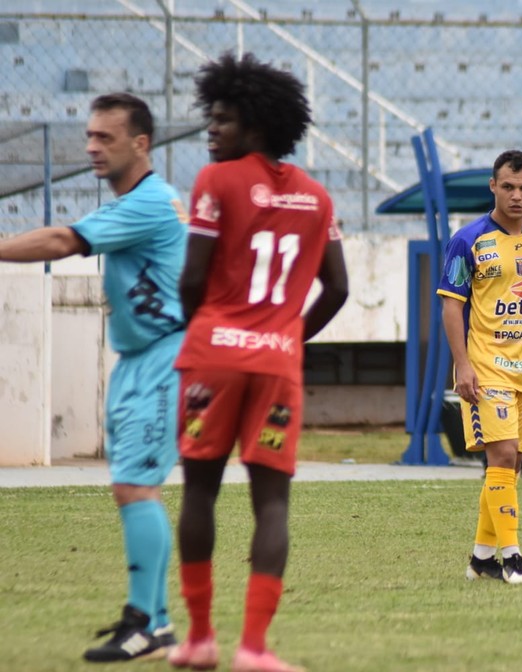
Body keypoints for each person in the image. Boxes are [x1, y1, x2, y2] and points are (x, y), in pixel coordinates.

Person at [168, 53, 348, 672]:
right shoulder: (320, 199)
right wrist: (288, 337)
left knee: (199, 491)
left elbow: (192, 278)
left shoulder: (214, 183)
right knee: (272, 504)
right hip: (277, 363)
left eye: (221, 120)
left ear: (254, 123)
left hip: (213, 358)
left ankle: (198, 640)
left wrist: (206, 332)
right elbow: (339, 289)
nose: (210, 131)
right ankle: (254, 649)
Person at [0, 93, 185, 662]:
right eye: (90, 136)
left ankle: (147, 624)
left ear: (140, 143)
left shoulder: (151, 202)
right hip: (135, 359)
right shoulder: (135, 203)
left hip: (162, 356)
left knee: (136, 487)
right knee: (130, 487)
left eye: (105, 137)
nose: (91, 147)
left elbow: (62, 241)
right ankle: (153, 623)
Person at [437, 149, 522, 585]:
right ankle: (512, 558)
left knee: (511, 464)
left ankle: (480, 559)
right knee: (500, 456)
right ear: (493, 187)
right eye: (508, 186)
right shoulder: (468, 240)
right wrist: (462, 365)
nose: (517, 195)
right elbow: (450, 307)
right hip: (485, 368)